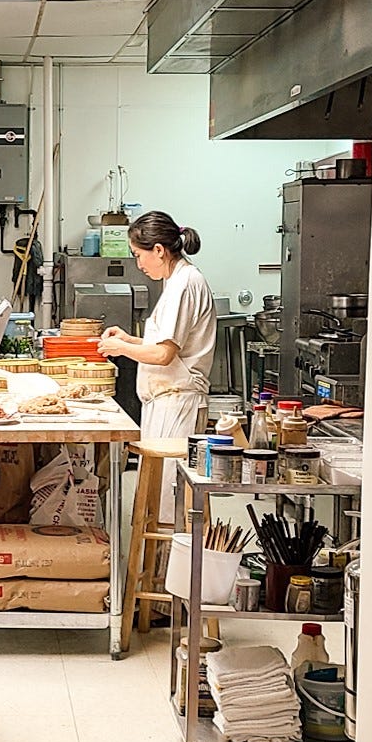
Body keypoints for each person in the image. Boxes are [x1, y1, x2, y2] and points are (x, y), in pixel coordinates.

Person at [98, 211, 216, 521]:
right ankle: (158, 567)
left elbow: (164, 356)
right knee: (159, 497)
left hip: (178, 403)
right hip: (165, 400)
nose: (139, 264)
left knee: (168, 502)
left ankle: (169, 569)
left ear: (159, 251)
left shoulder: (184, 284)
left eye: (139, 255)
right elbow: (167, 347)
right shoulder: (176, 281)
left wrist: (121, 348)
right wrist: (130, 340)